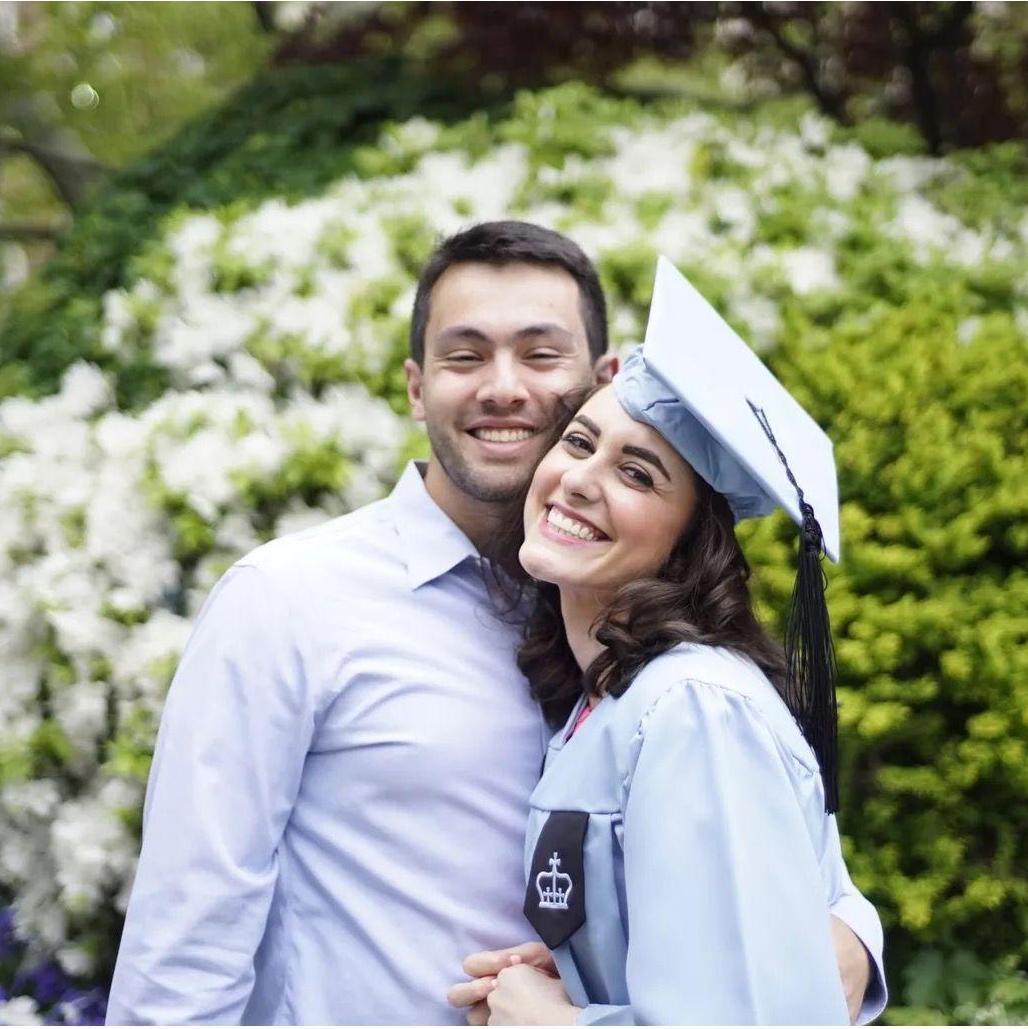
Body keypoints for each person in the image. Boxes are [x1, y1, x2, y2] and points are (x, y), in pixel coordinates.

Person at [106, 225, 882, 1025]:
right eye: (464, 355)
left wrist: (849, 937)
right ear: (417, 387)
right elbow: (184, 951)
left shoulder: (674, 682)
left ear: (604, 379)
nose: (502, 387)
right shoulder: (287, 602)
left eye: (540, 354)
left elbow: (794, 885)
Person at [449, 257, 887, 1024]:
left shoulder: (694, 709)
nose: (580, 479)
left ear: (690, 541)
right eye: (579, 442)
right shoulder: (607, 702)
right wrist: (592, 964)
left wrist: (552, 1020)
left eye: (638, 474)